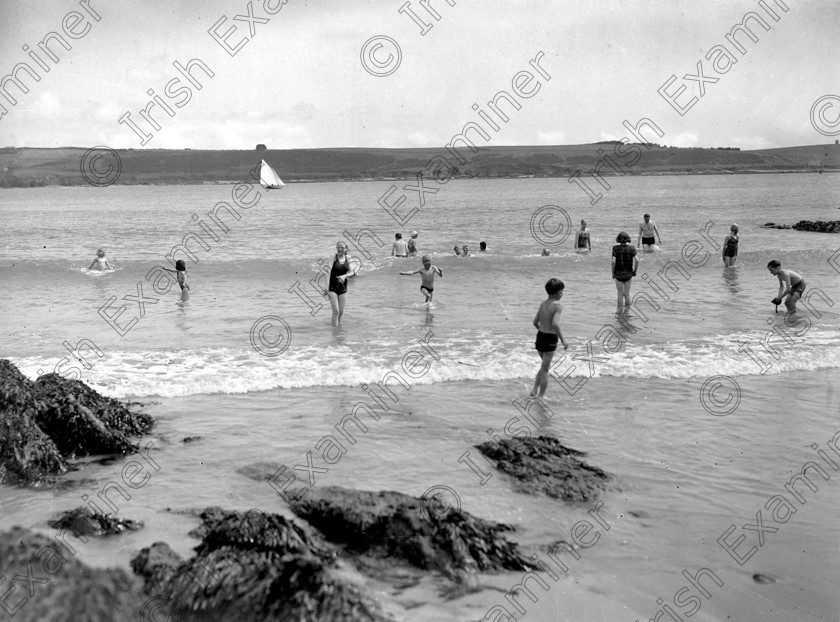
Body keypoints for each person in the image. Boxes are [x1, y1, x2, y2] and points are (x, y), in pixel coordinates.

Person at [530, 278, 568, 399]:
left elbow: (535, 322)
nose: (562, 294)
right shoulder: (558, 306)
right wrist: (563, 340)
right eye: (562, 291)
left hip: (540, 337)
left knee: (543, 367)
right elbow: (555, 324)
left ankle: (534, 390)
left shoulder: (543, 303)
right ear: (557, 293)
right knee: (545, 369)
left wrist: (542, 331)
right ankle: (541, 396)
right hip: (550, 339)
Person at [328, 240, 357, 326]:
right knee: (336, 311)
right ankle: (335, 332)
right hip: (331, 287)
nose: (340, 249)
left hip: (343, 287)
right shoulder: (333, 257)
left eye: (342, 247)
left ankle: (338, 332)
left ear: (346, 249)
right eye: (338, 247)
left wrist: (344, 276)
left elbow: (352, 272)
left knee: (341, 312)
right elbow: (327, 272)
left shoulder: (348, 258)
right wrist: (326, 287)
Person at [612, 232, 638, 307]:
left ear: (618, 239)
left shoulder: (615, 248)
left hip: (618, 274)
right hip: (628, 274)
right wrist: (635, 271)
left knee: (620, 294)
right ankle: (627, 311)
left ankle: (619, 312)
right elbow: (637, 260)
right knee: (627, 294)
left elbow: (613, 261)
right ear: (628, 239)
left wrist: (613, 273)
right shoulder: (632, 248)